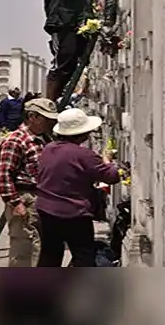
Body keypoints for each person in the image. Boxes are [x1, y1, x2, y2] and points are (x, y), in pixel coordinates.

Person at [36, 108, 121, 267]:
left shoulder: (48, 149)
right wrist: (107, 160)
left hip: (46, 210)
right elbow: (111, 177)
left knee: (50, 255)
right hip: (74, 213)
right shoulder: (84, 155)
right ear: (82, 133)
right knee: (83, 257)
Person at [0, 98, 59, 267]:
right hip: (26, 198)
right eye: (47, 119)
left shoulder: (45, 138)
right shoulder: (15, 140)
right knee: (25, 249)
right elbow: (4, 175)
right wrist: (16, 203)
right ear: (32, 117)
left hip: (42, 199)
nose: (51, 122)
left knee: (40, 248)